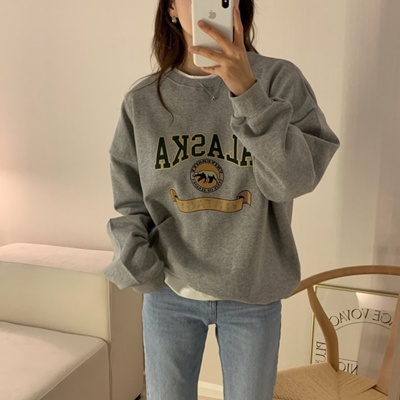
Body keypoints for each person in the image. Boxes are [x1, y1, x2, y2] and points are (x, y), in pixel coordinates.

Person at [103, 0, 340, 399]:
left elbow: (292, 182)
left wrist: (248, 93)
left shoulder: (279, 81)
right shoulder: (143, 100)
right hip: (171, 292)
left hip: (253, 291)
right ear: (171, 8)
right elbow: (129, 199)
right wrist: (139, 263)